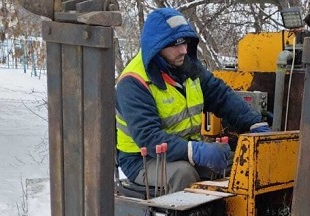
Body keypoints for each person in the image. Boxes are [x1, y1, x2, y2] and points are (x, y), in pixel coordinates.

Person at [115, 7, 270, 194]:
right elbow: (149, 137)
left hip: (184, 150)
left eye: (185, 43)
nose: (183, 50)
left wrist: (254, 123)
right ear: (156, 46)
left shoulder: (188, 67)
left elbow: (221, 95)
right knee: (184, 174)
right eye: (175, 45)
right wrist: (197, 152)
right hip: (143, 160)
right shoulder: (133, 82)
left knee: (239, 165)